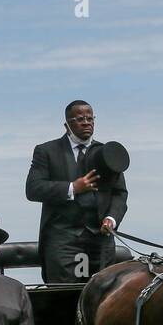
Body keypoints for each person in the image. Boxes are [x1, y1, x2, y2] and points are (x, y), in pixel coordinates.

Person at [25, 99, 128, 284]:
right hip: (63, 240)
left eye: (90, 118)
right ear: (67, 125)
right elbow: (33, 189)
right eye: (80, 119)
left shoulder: (107, 153)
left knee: (102, 295)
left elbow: (120, 193)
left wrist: (111, 219)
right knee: (65, 297)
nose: (86, 122)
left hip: (100, 239)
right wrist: (73, 187)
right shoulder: (47, 151)